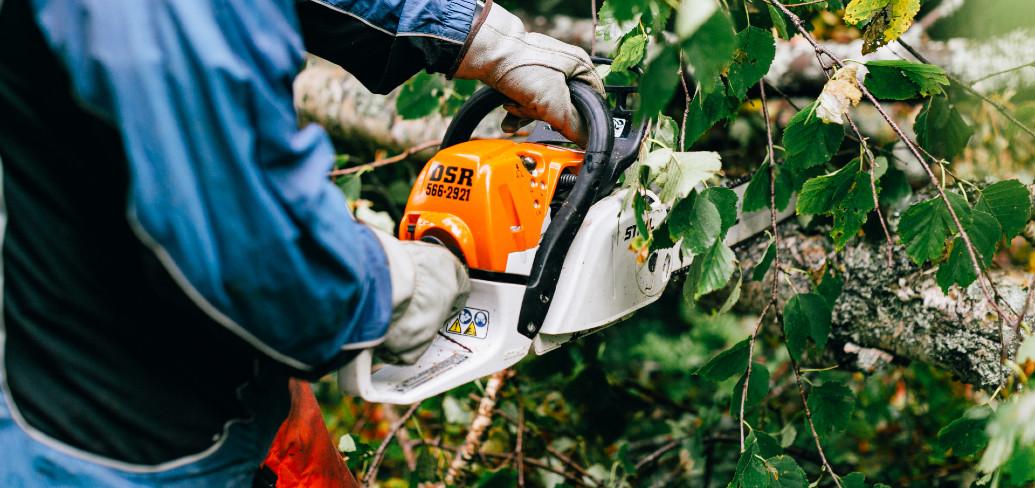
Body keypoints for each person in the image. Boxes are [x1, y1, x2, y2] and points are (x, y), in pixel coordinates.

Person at [0, 0, 602, 485]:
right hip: (106, 441)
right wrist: (389, 284)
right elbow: (257, 259)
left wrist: (470, 33)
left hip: (198, 380)